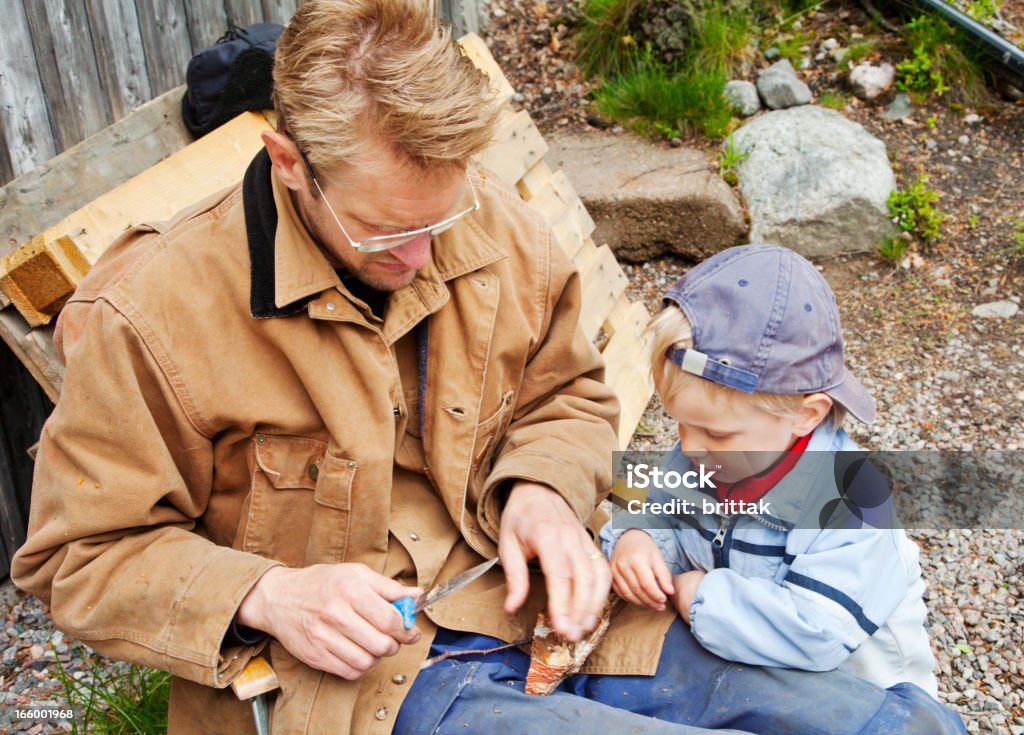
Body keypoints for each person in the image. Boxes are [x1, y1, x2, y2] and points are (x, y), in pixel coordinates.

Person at [13, 2, 965, 732]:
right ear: (290, 162)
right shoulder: (151, 316)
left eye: (443, 218)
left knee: (879, 718)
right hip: (378, 684)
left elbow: (572, 392)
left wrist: (544, 493)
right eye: (390, 231)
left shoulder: (489, 220)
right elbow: (76, 555)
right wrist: (266, 592)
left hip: (555, 612)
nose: (428, 258)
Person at [601, 244, 951, 699]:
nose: (687, 445)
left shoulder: (849, 501)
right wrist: (634, 539)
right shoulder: (700, 455)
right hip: (754, 664)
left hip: (860, 689)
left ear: (806, 416)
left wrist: (700, 596)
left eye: (715, 432)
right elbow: (639, 496)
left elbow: (817, 632)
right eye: (678, 422)